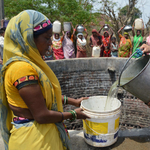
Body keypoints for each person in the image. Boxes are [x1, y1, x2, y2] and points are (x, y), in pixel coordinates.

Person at [0, 10, 89, 150]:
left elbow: (45, 97)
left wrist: (74, 101)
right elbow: (41, 115)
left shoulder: (30, 64)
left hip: (40, 136)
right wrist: (73, 114)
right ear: (28, 38)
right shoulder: (21, 69)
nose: (50, 44)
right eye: (47, 38)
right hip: (34, 141)